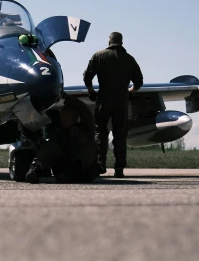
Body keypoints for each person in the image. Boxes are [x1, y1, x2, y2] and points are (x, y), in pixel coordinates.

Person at [83, 31, 143, 178]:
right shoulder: (129, 59)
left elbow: (87, 77)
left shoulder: (98, 56)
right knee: (120, 135)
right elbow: (139, 82)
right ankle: (119, 168)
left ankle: (100, 165)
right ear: (121, 43)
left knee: (100, 132)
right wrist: (130, 92)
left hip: (103, 99)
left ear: (109, 42)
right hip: (121, 101)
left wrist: (91, 91)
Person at [25, 96, 98, 183]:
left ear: (75, 117)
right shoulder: (58, 132)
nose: (63, 118)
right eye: (62, 115)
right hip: (63, 173)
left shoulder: (85, 128)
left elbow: (85, 111)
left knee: (91, 146)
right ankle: (34, 170)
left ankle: (74, 170)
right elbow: (48, 150)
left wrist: (68, 98)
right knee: (49, 146)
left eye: (67, 115)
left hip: (83, 173)